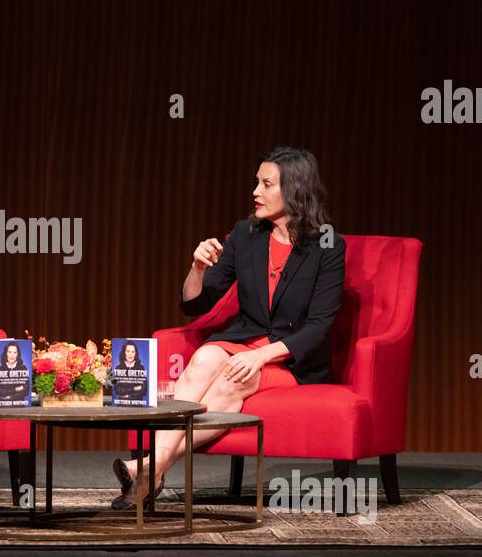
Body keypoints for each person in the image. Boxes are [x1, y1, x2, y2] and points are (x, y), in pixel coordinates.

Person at [111, 146, 346, 510]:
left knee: (232, 378)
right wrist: (198, 268)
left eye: (266, 184)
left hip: (291, 359)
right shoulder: (246, 234)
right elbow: (195, 304)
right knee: (205, 357)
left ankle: (150, 467)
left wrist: (263, 355)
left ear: (294, 189)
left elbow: (318, 326)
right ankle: (151, 470)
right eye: (256, 182)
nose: (255, 191)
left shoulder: (327, 246)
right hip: (244, 340)